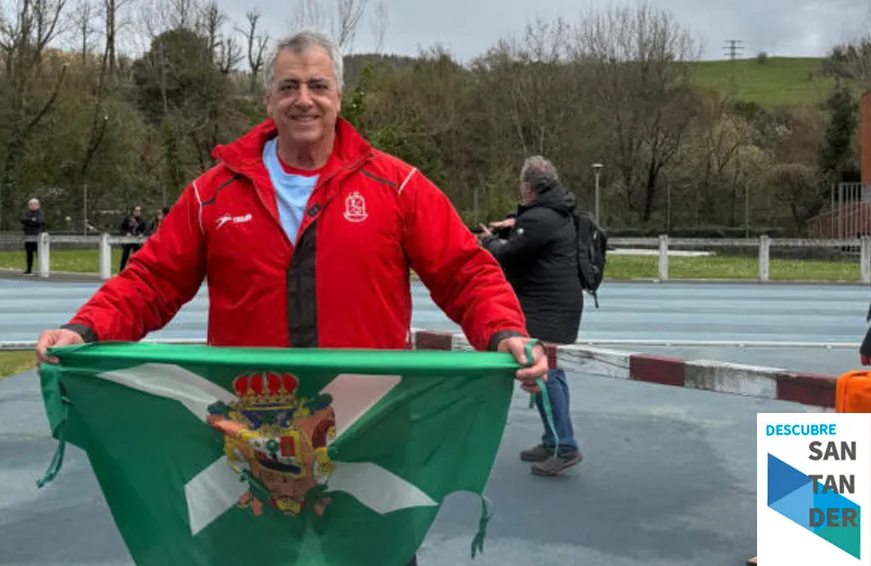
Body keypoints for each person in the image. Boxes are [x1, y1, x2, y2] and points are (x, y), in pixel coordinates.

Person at [35, 31, 549, 566]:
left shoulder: (396, 186)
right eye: (289, 86)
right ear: (268, 100)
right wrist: (86, 329)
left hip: (367, 435)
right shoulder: (212, 194)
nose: (304, 98)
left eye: (317, 85)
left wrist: (505, 330)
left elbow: (465, 272)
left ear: (339, 97)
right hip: (251, 443)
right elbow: (151, 280)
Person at [478, 155, 585, 477]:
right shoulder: (555, 212)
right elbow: (528, 237)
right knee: (549, 370)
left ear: (528, 187)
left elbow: (509, 257)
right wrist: (514, 224)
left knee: (544, 371)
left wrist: (488, 242)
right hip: (555, 303)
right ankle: (553, 438)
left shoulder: (539, 218)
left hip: (546, 306)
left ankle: (565, 446)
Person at [21, 198, 46, 275]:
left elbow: (40, 221)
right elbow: (23, 220)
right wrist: (32, 220)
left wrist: (30, 221)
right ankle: (28, 269)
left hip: (38, 236)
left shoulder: (41, 213)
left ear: (38, 205)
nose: (32, 206)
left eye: (34, 204)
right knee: (29, 253)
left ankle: (41, 269)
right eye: (31, 204)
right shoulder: (26, 213)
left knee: (39, 254)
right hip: (28, 235)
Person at [118, 206, 147, 271]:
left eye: (139, 211)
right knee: (125, 256)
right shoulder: (127, 219)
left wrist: (142, 234)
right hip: (128, 241)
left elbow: (146, 229)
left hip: (137, 241)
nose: (138, 212)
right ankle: (121, 271)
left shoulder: (142, 220)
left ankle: (134, 271)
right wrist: (126, 233)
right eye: (136, 211)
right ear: (133, 211)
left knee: (136, 257)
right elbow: (121, 228)